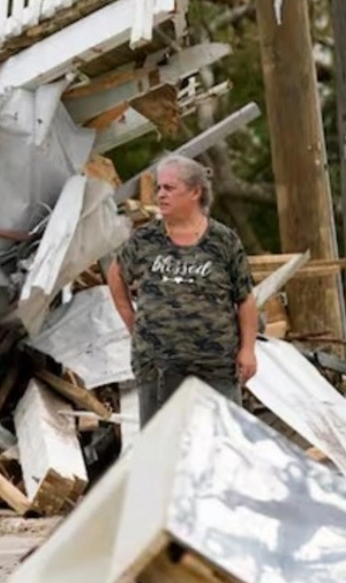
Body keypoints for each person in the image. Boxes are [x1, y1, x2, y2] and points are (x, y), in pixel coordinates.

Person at [105, 154, 258, 424]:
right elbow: (116, 275)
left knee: (220, 447)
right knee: (161, 450)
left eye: (169, 188)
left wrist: (248, 349)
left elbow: (245, 299)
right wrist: (134, 322)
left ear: (195, 191)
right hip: (158, 368)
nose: (161, 195)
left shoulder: (224, 241)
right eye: (159, 188)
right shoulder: (145, 240)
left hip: (216, 368)